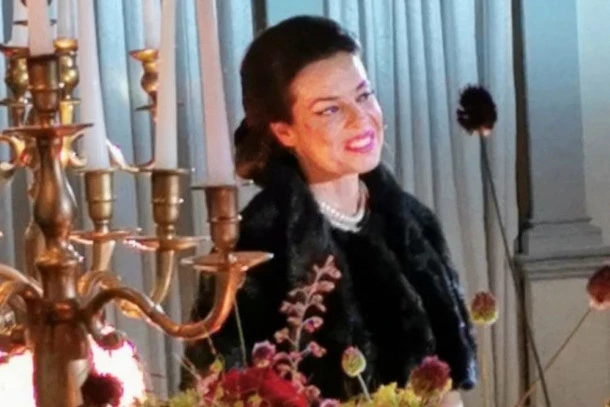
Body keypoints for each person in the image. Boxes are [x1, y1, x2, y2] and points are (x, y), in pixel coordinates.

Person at [183, 15, 477, 404]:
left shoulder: (413, 223)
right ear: (284, 131)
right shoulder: (254, 251)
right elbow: (213, 390)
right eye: (330, 110)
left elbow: (450, 380)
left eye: (364, 95)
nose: (361, 119)